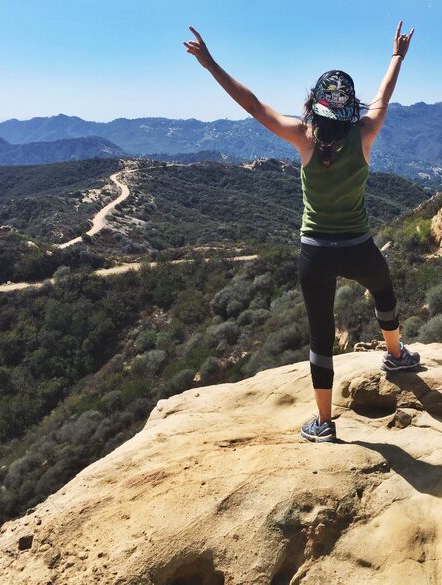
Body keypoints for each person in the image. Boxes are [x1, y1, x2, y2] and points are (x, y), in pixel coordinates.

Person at [184, 21, 421, 443]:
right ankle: (397, 355)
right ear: (349, 109)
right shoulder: (364, 135)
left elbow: (254, 105)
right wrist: (397, 56)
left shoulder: (303, 137)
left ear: (315, 103)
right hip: (359, 245)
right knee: (383, 292)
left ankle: (325, 423)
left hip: (315, 252)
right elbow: (384, 96)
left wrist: (210, 64)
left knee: (320, 336)